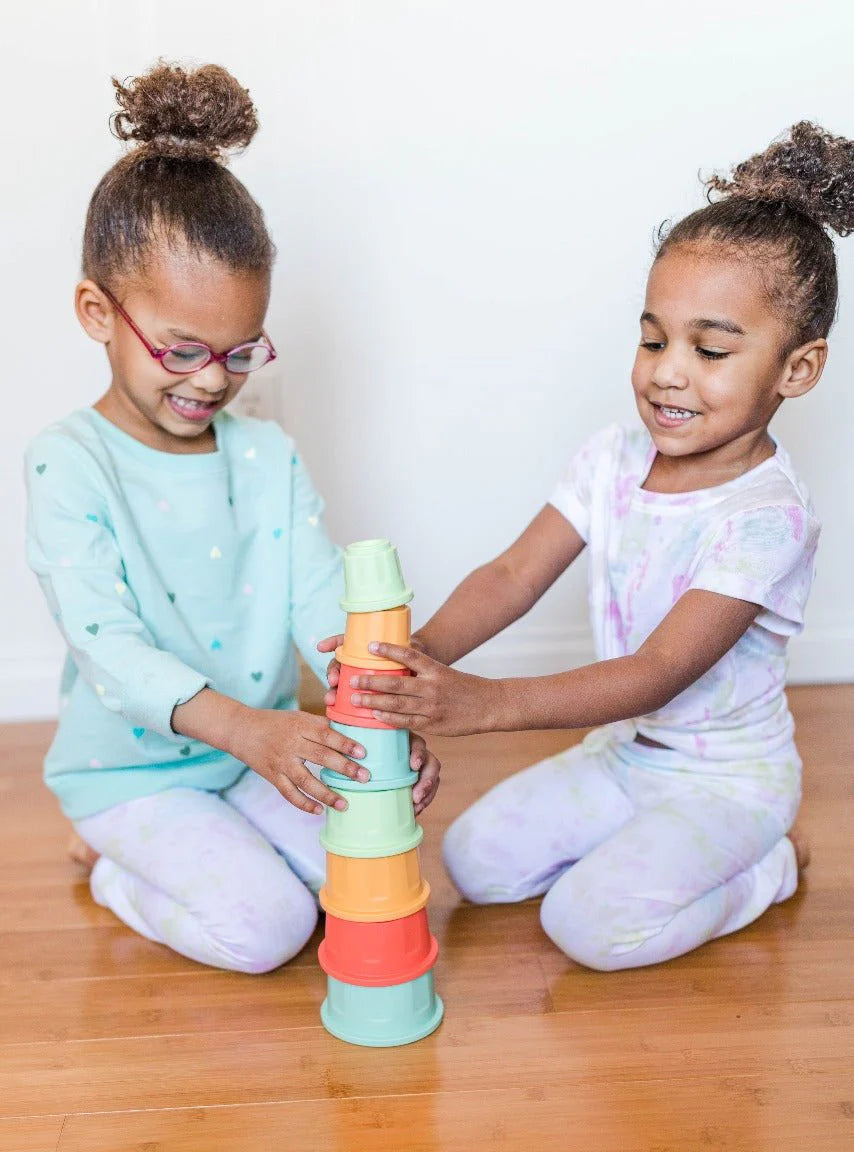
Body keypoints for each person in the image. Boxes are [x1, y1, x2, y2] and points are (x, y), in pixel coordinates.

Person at [324, 122, 853, 970]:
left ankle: (769, 866)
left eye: (710, 349)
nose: (667, 372)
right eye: (653, 339)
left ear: (798, 368)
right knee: (473, 864)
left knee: (589, 927)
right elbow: (511, 575)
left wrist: (480, 706)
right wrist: (417, 660)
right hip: (622, 755)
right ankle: (645, 850)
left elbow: (656, 672)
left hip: (726, 783)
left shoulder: (769, 518)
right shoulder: (612, 459)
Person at [24, 62, 440, 974]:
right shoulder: (69, 462)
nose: (211, 378)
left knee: (367, 872)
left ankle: (212, 842)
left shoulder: (265, 455)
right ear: (99, 311)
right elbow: (113, 652)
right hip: (132, 776)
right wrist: (253, 730)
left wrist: (386, 722)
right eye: (181, 348)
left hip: (252, 756)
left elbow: (323, 603)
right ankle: (113, 873)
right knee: (269, 931)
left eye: (239, 350)